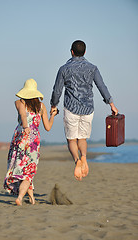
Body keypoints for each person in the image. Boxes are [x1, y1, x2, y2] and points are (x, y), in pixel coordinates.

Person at [50, 40, 118, 181]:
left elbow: (57, 90)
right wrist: (111, 103)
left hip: (71, 108)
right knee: (82, 138)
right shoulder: (92, 68)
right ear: (85, 52)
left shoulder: (64, 69)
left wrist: (53, 104)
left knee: (71, 140)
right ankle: (84, 158)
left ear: (71, 51)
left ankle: (77, 160)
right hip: (88, 109)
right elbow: (101, 86)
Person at [4, 78, 57, 206]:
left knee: (22, 168)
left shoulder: (19, 102)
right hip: (33, 140)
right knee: (28, 171)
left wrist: (25, 126)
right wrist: (53, 116)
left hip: (20, 137)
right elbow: (48, 127)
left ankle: (32, 199)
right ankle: (20, 198)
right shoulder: (41, 106)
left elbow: (23, 114)